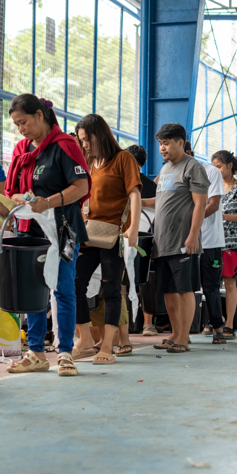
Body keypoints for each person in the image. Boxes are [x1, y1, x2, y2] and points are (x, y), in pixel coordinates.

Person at [5, 94, 91, 374]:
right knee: (34, 290)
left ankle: (65, 352)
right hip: (30, 229)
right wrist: (23, 199)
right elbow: (10, 190)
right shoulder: (20, 149)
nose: (21, 129)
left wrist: (47, 202)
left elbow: (81, 187)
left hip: (63, 228)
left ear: (40, 116)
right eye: (17, 125)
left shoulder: (64, 146)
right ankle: (36, 353)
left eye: (24, 122)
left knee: (63, 288)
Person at [72, 114, 141, 365]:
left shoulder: (123, 158)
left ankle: (109, 346)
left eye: (87, 139)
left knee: (111, 288)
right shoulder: (87, 162)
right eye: (81, 141)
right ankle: (86, 337)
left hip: (114, 235)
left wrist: (132, 228)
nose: (85, 145)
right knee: (73, 283)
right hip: (88, 235)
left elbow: (134, 194)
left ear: (100, 134)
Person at [142, 124, 209, 353]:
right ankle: (174, 333)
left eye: (167, 143)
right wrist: (137, 203)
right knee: (169, 291)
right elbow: (159, 202)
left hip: (183, 241)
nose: (162, 148)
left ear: (181, 142)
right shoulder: (165, 171)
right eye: (160, 143)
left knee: (185, 289)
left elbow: (200, 204)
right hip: (162, 242)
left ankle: (184, 336)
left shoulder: (192, 167)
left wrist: (192, 236)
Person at [184, 143, 226, 345]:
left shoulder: (211, 172)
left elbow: (214, 204)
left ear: (188, 153)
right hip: (184, 242)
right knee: (186, 288)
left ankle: (218, 328)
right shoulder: (172, 172)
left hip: (210, 242)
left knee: (210, 288)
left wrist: (193, 223)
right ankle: (184, 332)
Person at [211, 150, 237, 340]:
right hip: (212, 241)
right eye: (214, 167)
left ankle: (229, 324)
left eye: (218, 166)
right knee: (211, 283)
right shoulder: (212, 186)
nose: (216, 170)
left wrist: (223, 217)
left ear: (229, 166)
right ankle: (214, 321)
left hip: (232, 242)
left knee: (229, 283)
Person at [125, 144, 159, 336]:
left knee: (143, 279)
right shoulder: (120, 180)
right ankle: (126, 324)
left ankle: (148, 322)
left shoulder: (149, 185)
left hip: (143, 238)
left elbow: (158, 205)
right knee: (122, 279)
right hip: (123, 235)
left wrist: (137, 203)